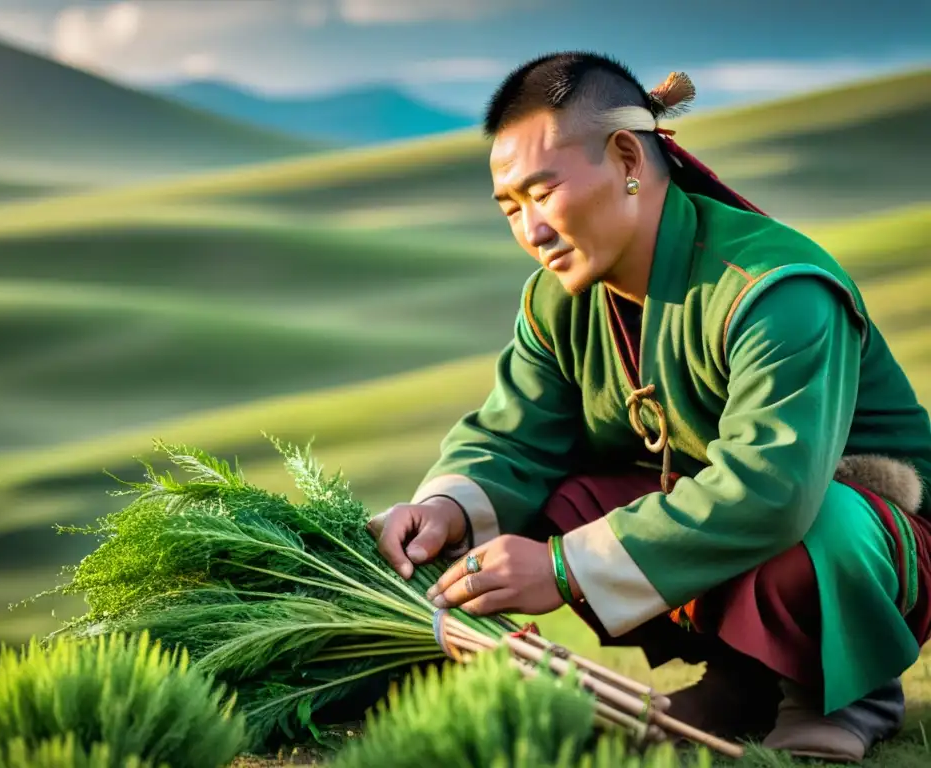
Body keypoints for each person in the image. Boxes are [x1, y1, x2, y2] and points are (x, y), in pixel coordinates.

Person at [367, 51, 931, 763]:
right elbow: (511, 442)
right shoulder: (555, 302)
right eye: (511, 207)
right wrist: (447, 508)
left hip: (866, 536)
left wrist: (566, 569)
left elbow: (773, 488)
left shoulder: (775, 287)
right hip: (721, 518)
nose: (531, 230)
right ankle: (745, 682)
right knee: (550, 501)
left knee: (812, 512)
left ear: (628, 157)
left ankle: (843, 691)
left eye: (542, 192)